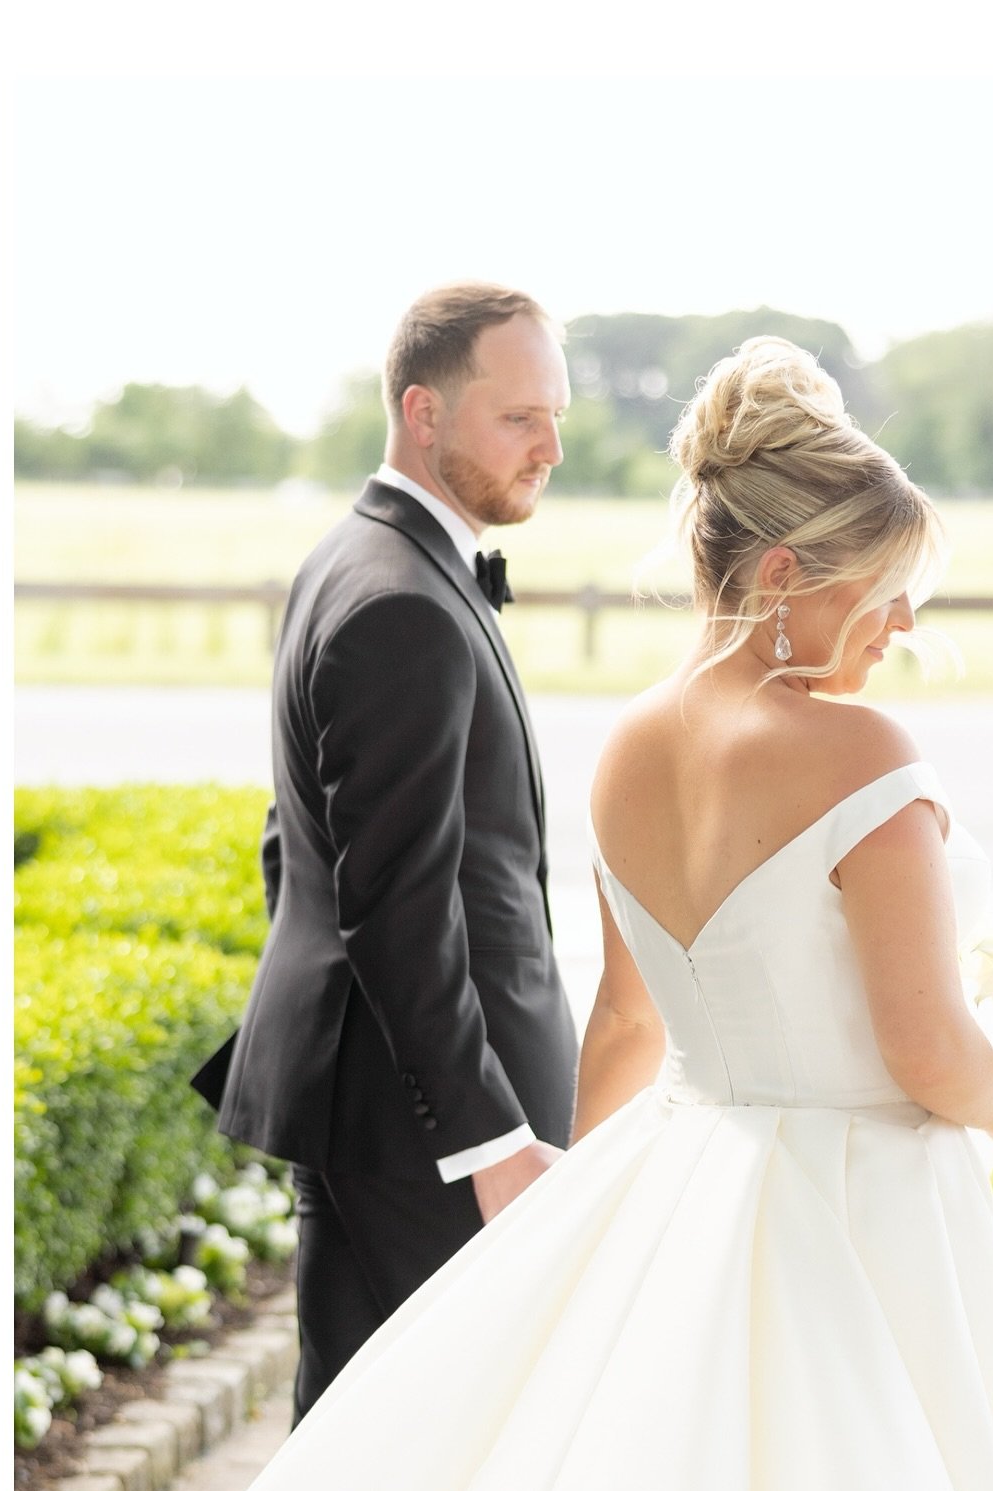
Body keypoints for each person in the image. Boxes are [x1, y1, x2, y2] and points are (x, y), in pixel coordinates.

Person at [63, 336, 993, 1491]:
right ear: (784, 576)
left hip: (685, 1179)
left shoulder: (632, 741)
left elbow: (627, 1010)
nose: (906, 627)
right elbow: (925, 1046)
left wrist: (588, 1221)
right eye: (888, 593)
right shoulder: (863, 755)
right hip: (855, 1215)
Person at [191, 283, 579, 1423]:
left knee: (362, 1454)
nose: (552, 446)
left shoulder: (356, 559)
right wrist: (489, 1141)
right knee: (428, 1457)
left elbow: (295, 846)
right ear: (423, 410)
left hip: (386, 1108)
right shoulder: (397, 601)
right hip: (431, 1137)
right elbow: (397, 911)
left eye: (555, 415)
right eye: (520, 418)